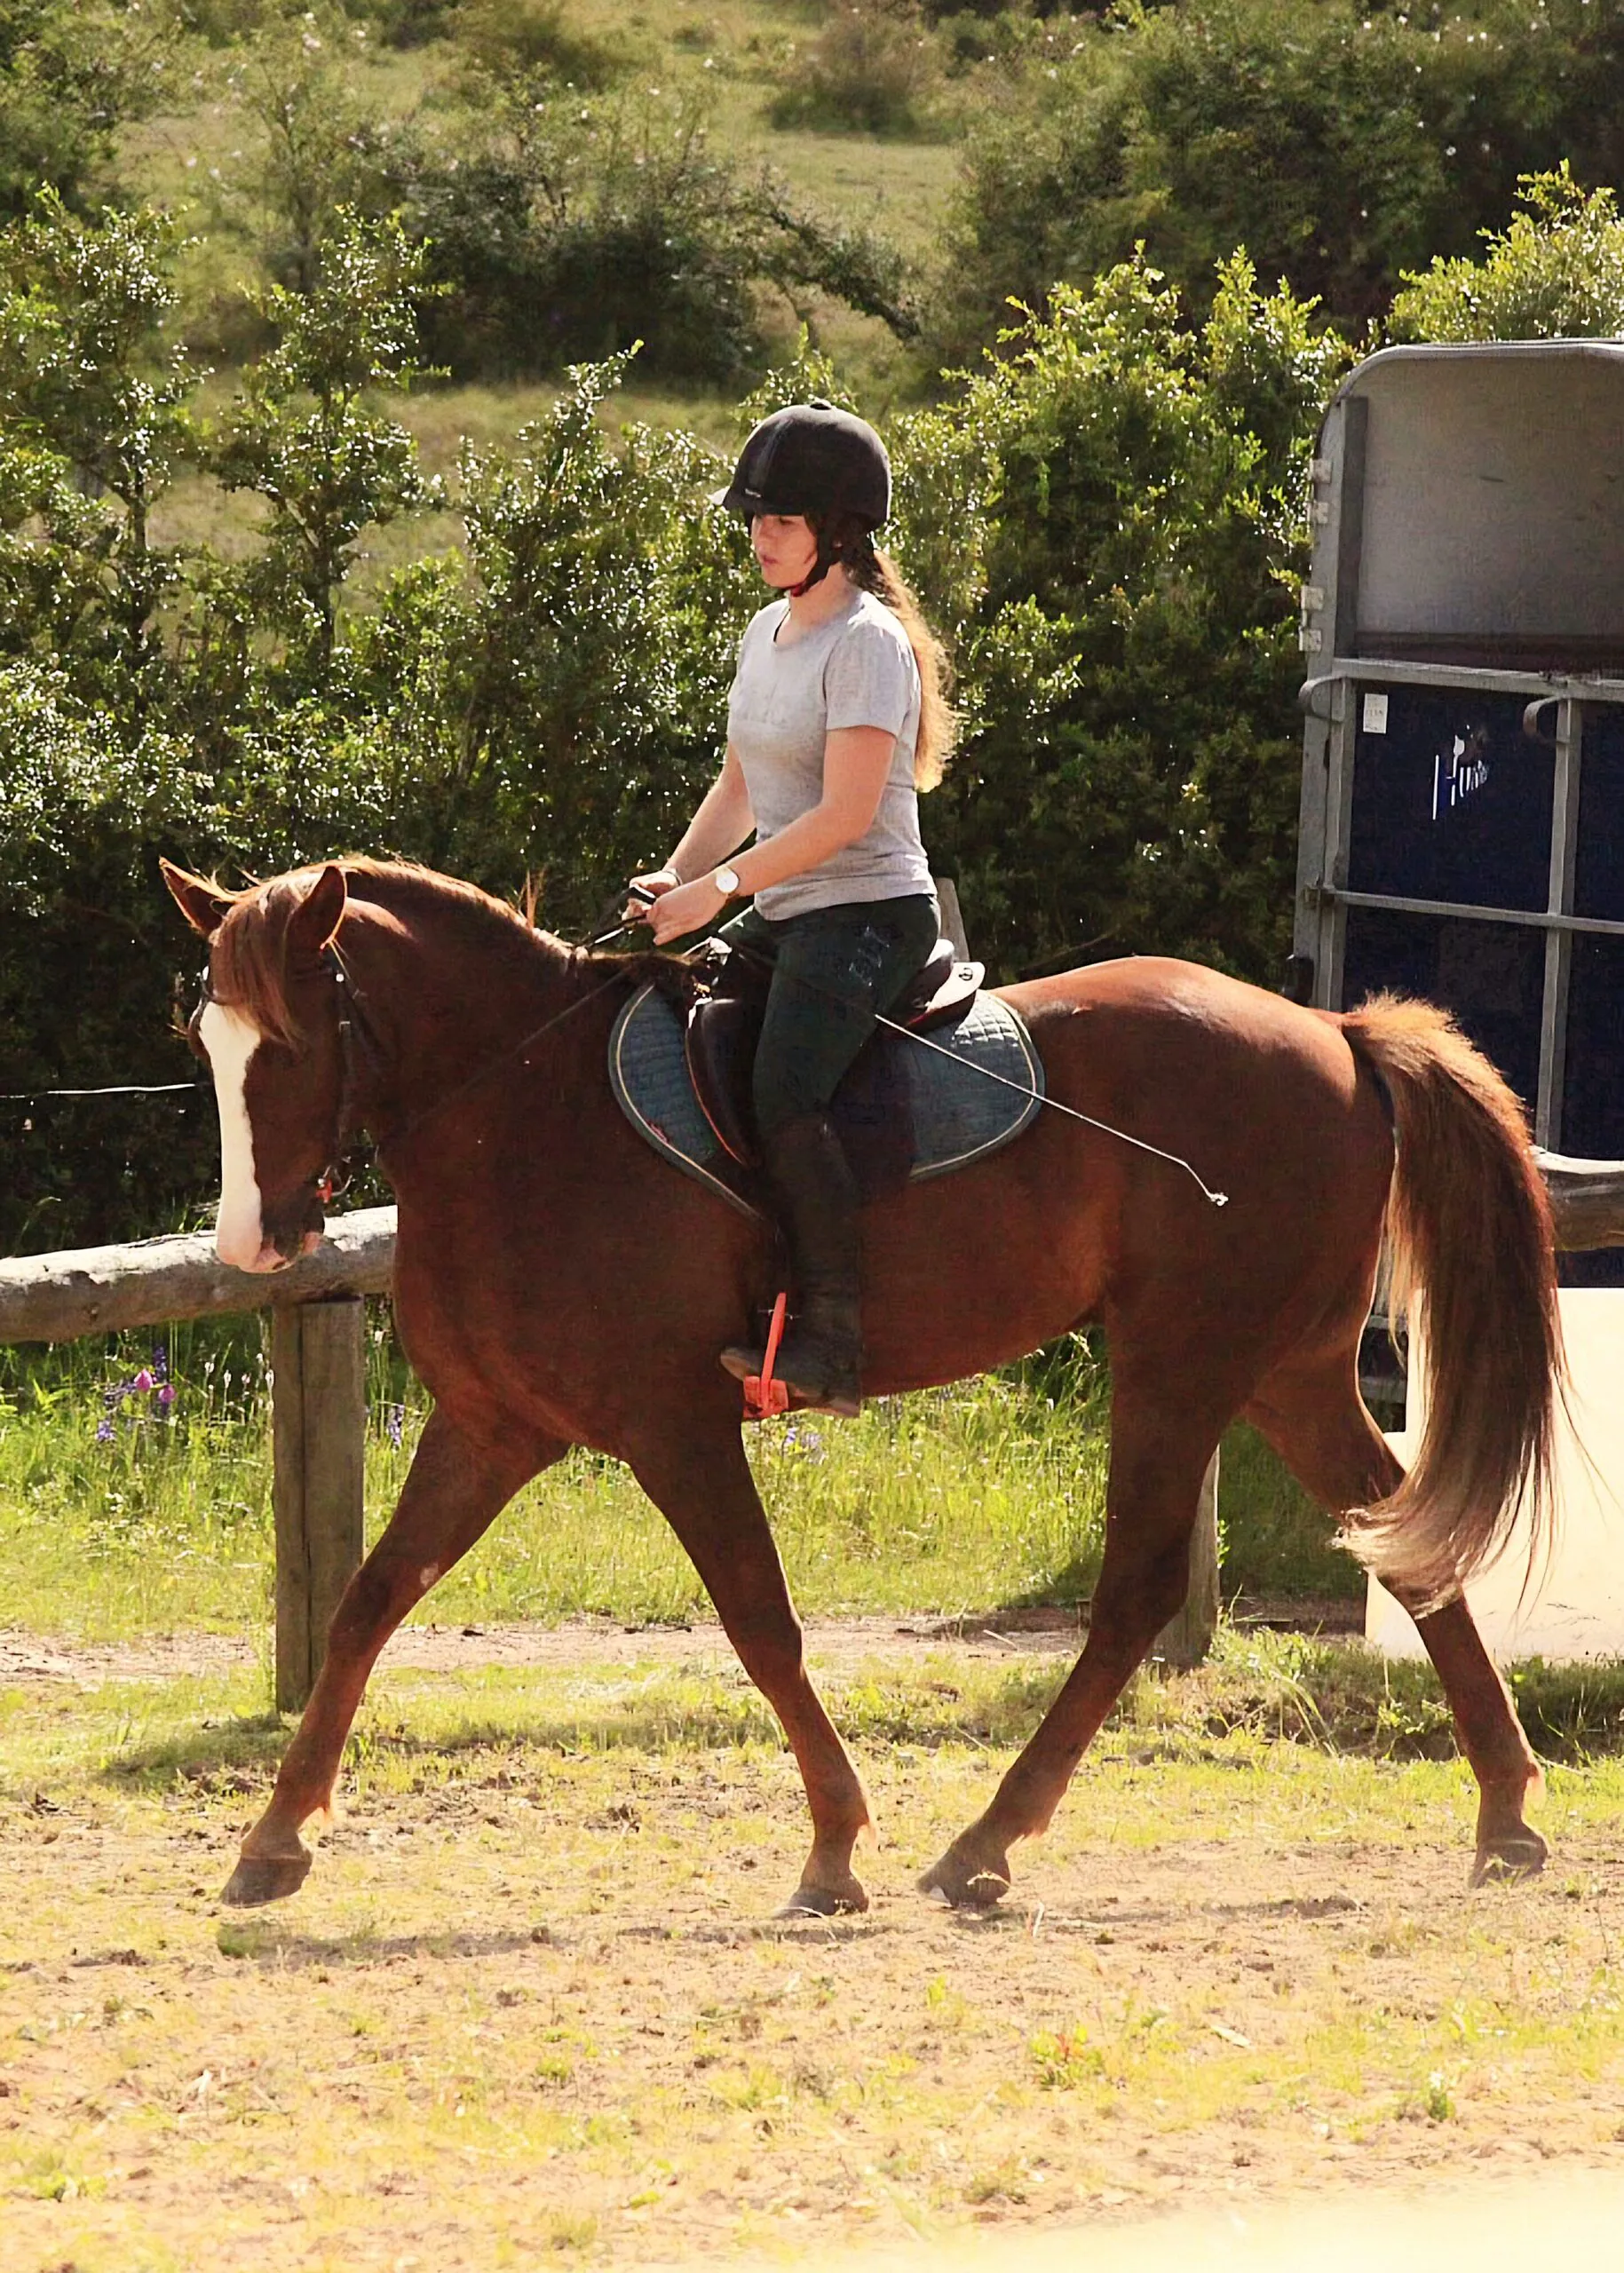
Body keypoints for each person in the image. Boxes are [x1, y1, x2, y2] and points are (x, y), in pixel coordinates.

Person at [626, 400, 955, 1416]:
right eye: (754, 519)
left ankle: (833, 1337)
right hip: (785, 906)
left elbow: (845, 817)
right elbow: (738, 788)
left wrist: (715, 893)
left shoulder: (866, 645)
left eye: (779, 521)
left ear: (840, 535)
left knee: (783, 1090)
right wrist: (666, 878)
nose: (758, 535)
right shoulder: (767, 631)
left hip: (868, 913)